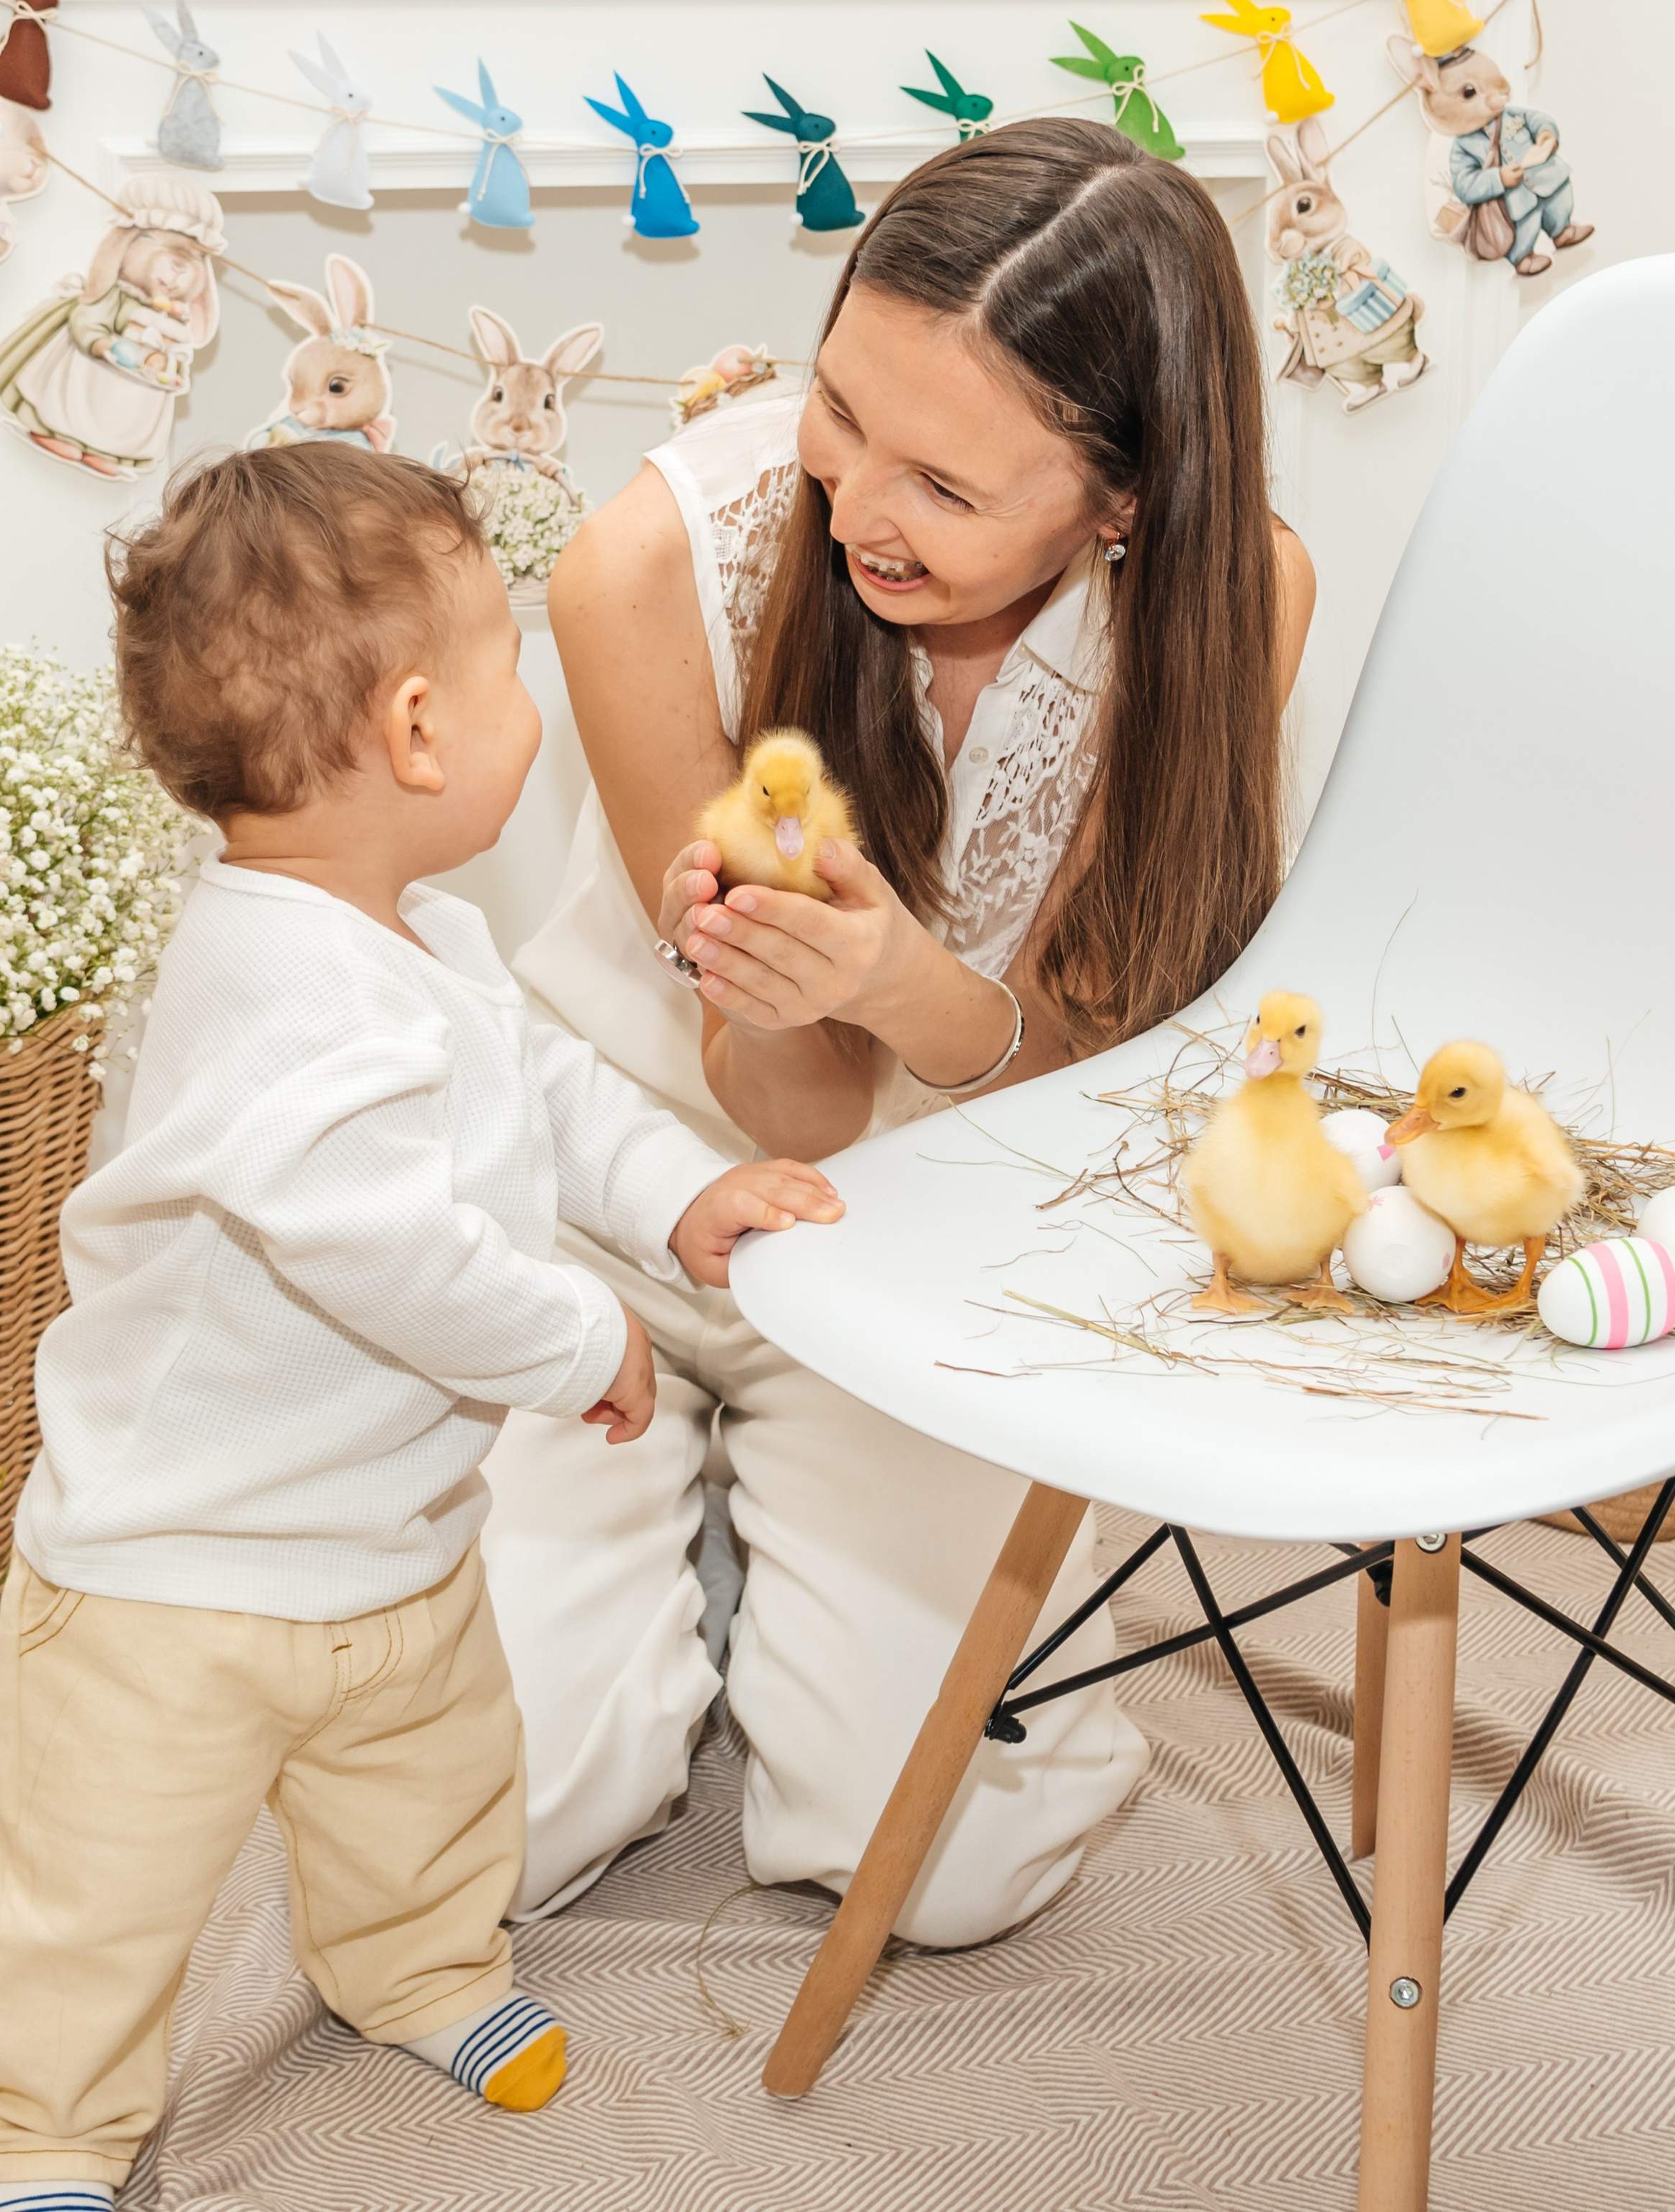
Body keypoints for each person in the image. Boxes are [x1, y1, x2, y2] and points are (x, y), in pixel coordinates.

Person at [0, 447, 841, 2211]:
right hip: (175, 1584)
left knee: (428, 1794)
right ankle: (49, 2135)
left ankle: (421, 1969)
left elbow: (548, 1092)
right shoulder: (263, 982)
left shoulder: (419, 932)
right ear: (423, 731)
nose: (536, 710)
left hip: (393, 1543)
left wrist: (677, 1197)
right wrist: (581, 1335)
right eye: (516, 670)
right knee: (97, 1882)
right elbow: (384, 1249)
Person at [485, 118, 1316, 1943]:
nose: (856, 505)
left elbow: (1082, 1066)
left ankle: (767, 1559)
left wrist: (888, 985)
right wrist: (812, 999)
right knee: (494, 1837)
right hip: (610, 1211)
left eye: (944, 485)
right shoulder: (638, 571)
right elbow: (763, 1091)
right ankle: (687, 1546)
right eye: (839, 410)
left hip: (928, 1240)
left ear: (1121, 499)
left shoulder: (1224, 598)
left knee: (937, 1869)